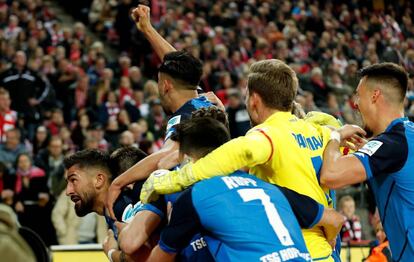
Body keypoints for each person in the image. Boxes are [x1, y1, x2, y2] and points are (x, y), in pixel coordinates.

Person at [140, 59, 339, 261]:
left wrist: (168, 181)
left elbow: (227, 157)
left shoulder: (265, 135)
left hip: (293, 248)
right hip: (326, 248)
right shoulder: (319, 131)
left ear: (254, 100)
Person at [145, 117, 344, 261]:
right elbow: (335, 219)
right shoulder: (269, 188)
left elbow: (160, 257)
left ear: (187, 160)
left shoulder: (197, 196)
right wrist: (332, 238)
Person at [106, 4, 216, 219]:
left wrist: (118, 182)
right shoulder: (204, 102)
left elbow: (166, 156)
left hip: (197, 207)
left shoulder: (183, 118)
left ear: (165, 86)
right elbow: (179, 64)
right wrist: (147, 29)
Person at [319, 62, 414, 261]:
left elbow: (330, 175)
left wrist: (335, 136)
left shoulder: (392, 144)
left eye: (358, 95)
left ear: (375, 95)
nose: (355, 104)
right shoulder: (405, 137)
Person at [63, 147, 157, 262]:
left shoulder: (121, 207)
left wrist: (111, 253)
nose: (68, 191)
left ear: (99, 180)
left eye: (73, 180)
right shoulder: (113, 210)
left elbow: (145, 257)